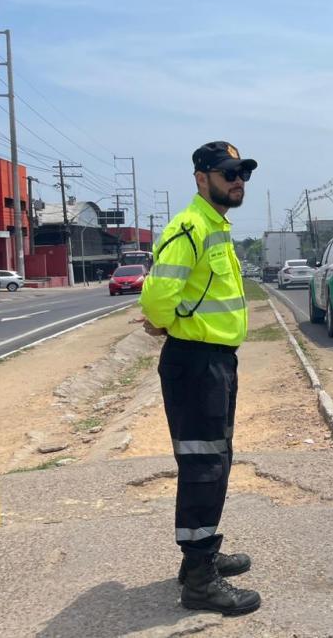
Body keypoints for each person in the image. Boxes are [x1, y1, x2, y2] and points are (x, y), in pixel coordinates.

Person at [138, 141, 260, 616]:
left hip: (215, 361)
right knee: (203, 465)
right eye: (228, 172)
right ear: (201, 177)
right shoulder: (189, 227)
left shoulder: (215, 226)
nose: (238, 180)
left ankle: (202, 557)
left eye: (243, 173)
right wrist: (166, 323)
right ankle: (198, 579)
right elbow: (156, 299)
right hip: (195, 362)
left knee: (216, 461)